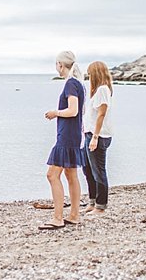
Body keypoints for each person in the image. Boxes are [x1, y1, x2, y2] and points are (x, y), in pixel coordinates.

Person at [40, 51, 86, 230]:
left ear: (60, 64)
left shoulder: (71, 84)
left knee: (52, 175)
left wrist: (55, 113)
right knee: (71, 175)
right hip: (73, 134)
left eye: (56, 64)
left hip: (67, 136)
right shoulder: (77, 84)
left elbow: (73, 111)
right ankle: (74, 215)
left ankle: (58, 217)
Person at [82, 61, 114, 215]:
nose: (89, 78)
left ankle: (101, 206)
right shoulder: (97, 91)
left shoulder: (102, 90)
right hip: (89, 134)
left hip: (99, 136)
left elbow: (101, 114)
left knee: (98, 170)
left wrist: (95, 137)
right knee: (87, 169)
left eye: (90, 74)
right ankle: (93, 200)